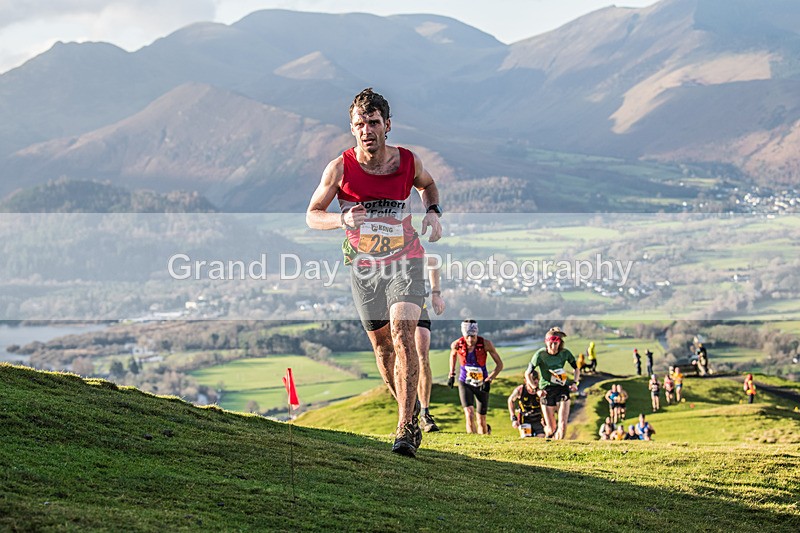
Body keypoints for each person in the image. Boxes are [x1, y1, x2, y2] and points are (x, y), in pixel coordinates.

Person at [306, 88, 443, 457]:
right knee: (383, 349)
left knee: (402, 332)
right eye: (359, 124)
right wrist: (341, 218)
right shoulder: (339, 168)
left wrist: (433, 211)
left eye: (373, 122)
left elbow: (428, 185)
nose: (366, 130)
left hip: (406, 259)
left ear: (387, 126)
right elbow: (311, 215)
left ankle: (405, 428)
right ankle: (407, 405)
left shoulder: (407, 162)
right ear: (352, 129)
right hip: (364, 268)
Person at [448, 320, 503, 435]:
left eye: (472, 336)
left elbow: (499, 365)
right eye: (467, 336)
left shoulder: (486, 344)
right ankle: (472, 440)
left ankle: (484, 442)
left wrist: (489, 380)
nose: (470, 340)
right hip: (465, 382)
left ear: (476, 334)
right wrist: (451, 374)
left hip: (481, 384)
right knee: (469, 413)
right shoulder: (457, 344)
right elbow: (453, 355)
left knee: (481, 419)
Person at [525, 326, 580, 439]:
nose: (553, 346)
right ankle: (548, 437)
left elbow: (576, 368)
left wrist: (575, 382)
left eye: (556, 343)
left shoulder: (565, 353)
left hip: (561, 387)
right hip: (546, 390)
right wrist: (536, 390)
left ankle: (560, 450)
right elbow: (528, 374)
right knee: (551, 428)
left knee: (563, 425)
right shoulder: (540, 355)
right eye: (551, 343)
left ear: (560, 343)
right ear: (546, 342)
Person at [416, 257, 445, 432]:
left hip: (418, 303)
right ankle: (407, 413)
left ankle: (425, 414)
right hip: (391, 304)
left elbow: (433, 261)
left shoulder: (409, 242)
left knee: (422, 357)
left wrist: (435, 293)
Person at [508, 372, 545, 438]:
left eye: (537, 378)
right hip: (524, 419)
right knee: (526, 438)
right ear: (526, 380)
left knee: (541, 437)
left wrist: (545, 419)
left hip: (538, 419)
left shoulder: (540, 391)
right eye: (533, 379)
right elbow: (510, 400)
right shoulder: (520, 389)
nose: (535, 381)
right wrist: (513, 417)